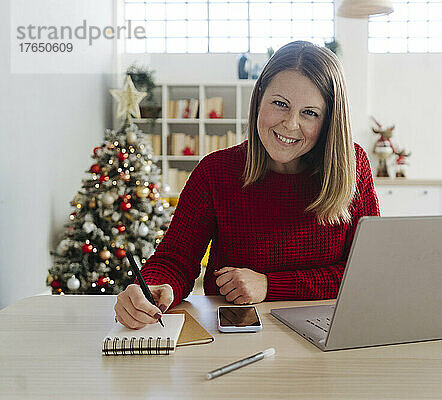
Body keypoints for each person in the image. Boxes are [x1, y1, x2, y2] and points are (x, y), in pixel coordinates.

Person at [114, 40, 380, 329]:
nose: (290, 124)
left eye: (310, 113)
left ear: (329, 120)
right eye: (280, 104)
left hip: (329, 333)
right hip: (238, 338)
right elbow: (175, 260)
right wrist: (154, 286)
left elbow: (365, 274)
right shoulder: (215, 172)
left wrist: (269, 285)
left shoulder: (352, 167)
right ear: (259, 99)